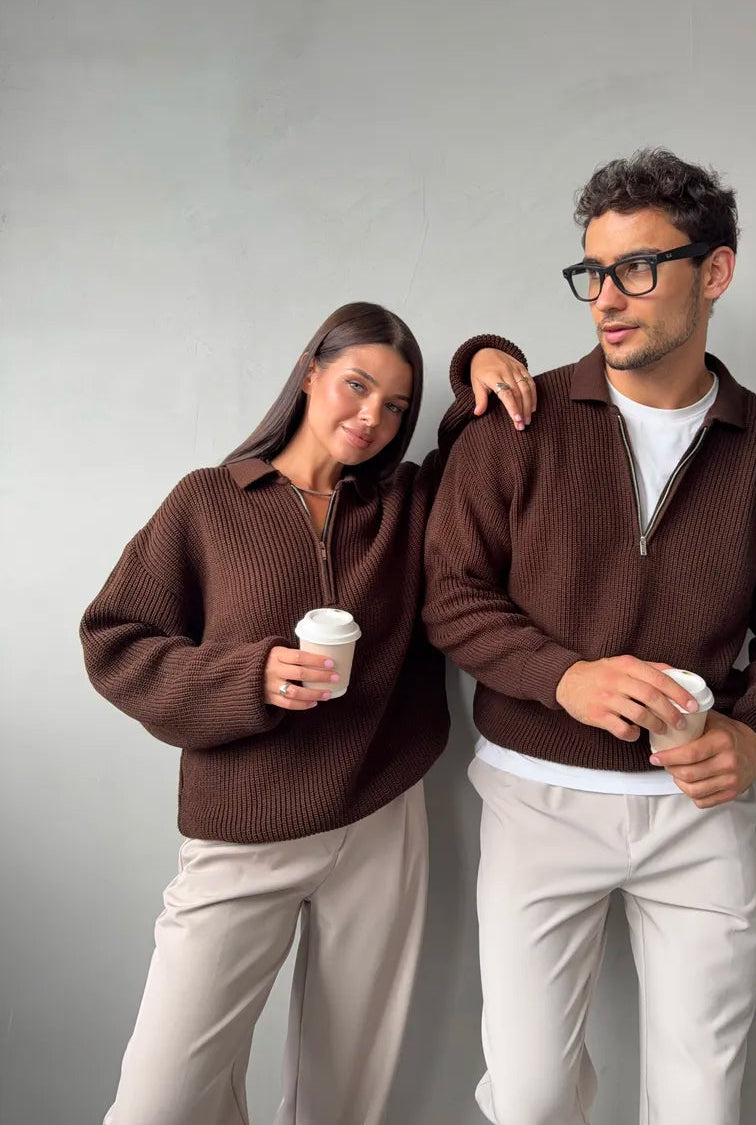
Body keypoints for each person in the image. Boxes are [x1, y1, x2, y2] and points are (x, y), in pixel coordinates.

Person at [423, 150, 756, 1125]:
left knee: (702, 1104)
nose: (606, 300)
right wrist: (563, 678)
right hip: (537, 798)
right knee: (530, 1099)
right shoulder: (519, 425)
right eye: (592, 273)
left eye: (637, 269)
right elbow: (448, 592)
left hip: (698, 811)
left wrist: (755, 736)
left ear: (716, 272)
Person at [79, 300, 535, 1125]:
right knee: (161, 1105)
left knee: (343, 1102)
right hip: (241, 829)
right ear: (311, 372)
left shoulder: (409, 505)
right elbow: (114, 639)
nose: (372, 417)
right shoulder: (211, 502)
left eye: (395, 404)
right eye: (357, 385)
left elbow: (478, 440)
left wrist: (482, 358)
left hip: (377, 821)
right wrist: (246, 677)